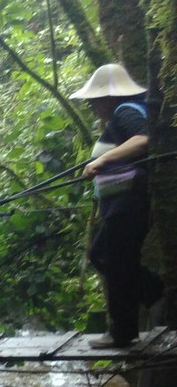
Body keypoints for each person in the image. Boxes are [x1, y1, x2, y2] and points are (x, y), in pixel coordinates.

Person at [69, 63, 161, 349]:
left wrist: (101, 161)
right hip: (121, 203)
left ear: (109, 97)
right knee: (109, 258)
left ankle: (124, 330)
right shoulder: (126, 112)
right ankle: (155, 296)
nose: (93, 107)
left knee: (114, 261)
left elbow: (143, 140)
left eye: (95, 101)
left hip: (128, 202)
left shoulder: (127, 111)